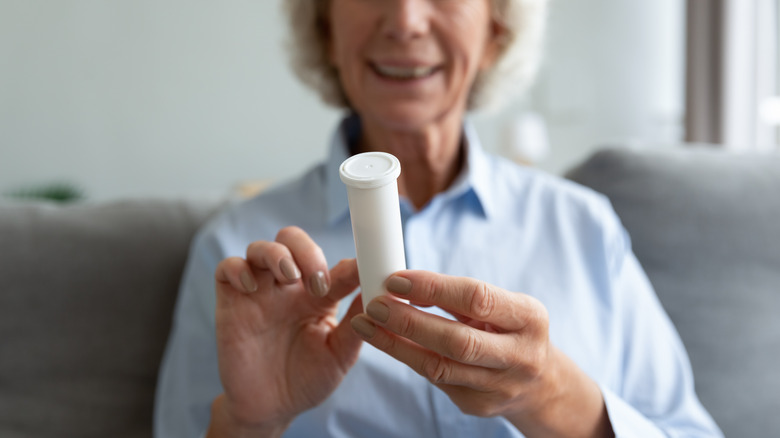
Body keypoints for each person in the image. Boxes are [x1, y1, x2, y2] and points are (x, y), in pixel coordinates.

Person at [154, 0, 723, 437]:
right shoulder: (237, 253)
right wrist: (248, 426)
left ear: (495, 32)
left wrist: (550, 395)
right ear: (326, 27)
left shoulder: (582, 227)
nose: (405, 21)